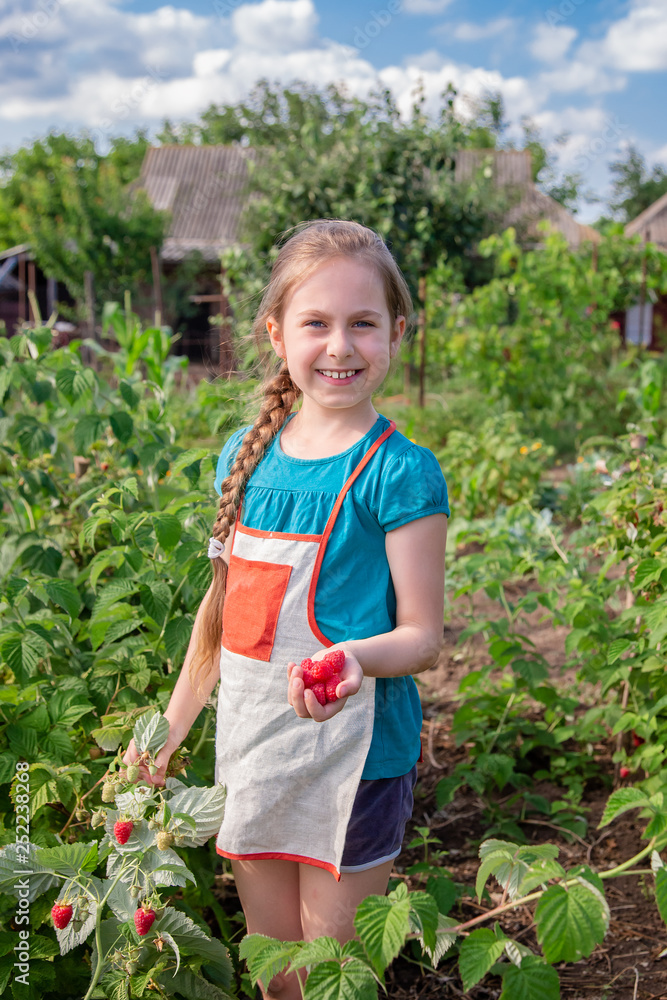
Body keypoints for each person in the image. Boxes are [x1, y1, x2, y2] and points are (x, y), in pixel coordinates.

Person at [123, 219, 449, 999]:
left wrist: (354, 658)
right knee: (273, 974)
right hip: (253, 746)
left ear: (395, 332)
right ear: (276, 334)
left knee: (333, 973)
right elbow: (221, 618)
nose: (339, 346)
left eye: (362, 323)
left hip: (354, 758)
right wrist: (165, 735)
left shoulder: (399, 472)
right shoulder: (245, 453)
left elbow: (423, 637)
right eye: (316, 323)